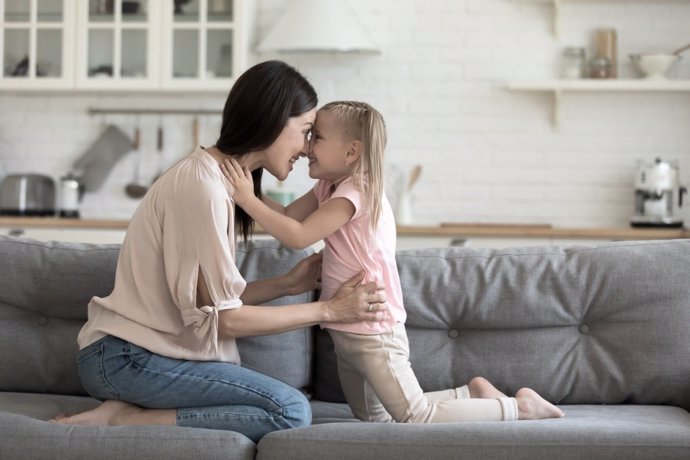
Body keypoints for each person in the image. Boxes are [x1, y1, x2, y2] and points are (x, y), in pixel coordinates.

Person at [51, 61, 387, 443]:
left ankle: (133, 413)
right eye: (306, 132)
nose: (307, 149)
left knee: (286, 407)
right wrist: (329, 310)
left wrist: (285, 285)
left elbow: (210, 303)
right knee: (290, 411)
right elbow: (225, 321)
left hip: (137, 358)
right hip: (127, 359)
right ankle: (123, 419)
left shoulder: (217, 183)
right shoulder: (202, 188)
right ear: (274, 120)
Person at [221, 100, 565, 423]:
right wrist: (246, 183)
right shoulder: (328, 187)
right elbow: (284, 215)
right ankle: (471, 393)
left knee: (415, 417)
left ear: (351, 151)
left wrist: (246, 199)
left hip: (374, 329)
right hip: (345, 331)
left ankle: (517, 408)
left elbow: (297, 236)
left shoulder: (356, 191)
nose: (307, 145)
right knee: (375, 418)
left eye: (317, 137)